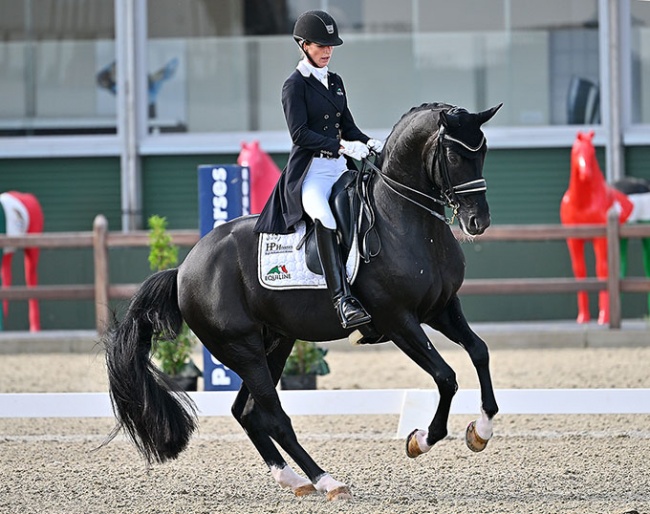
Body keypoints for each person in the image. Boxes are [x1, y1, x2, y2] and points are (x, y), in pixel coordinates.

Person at [254, 10, 384, 330]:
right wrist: (340, 146)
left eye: (331, 46)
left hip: (338, 168)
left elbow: (349, 127)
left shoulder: (336, 82)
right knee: (324, 217)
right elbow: (299, 135)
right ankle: (342, 300)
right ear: (303, 45)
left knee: (365, 205)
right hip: (310, 173)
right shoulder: (293, 86)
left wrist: (372, 143)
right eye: (321, 46)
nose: (327, 51)